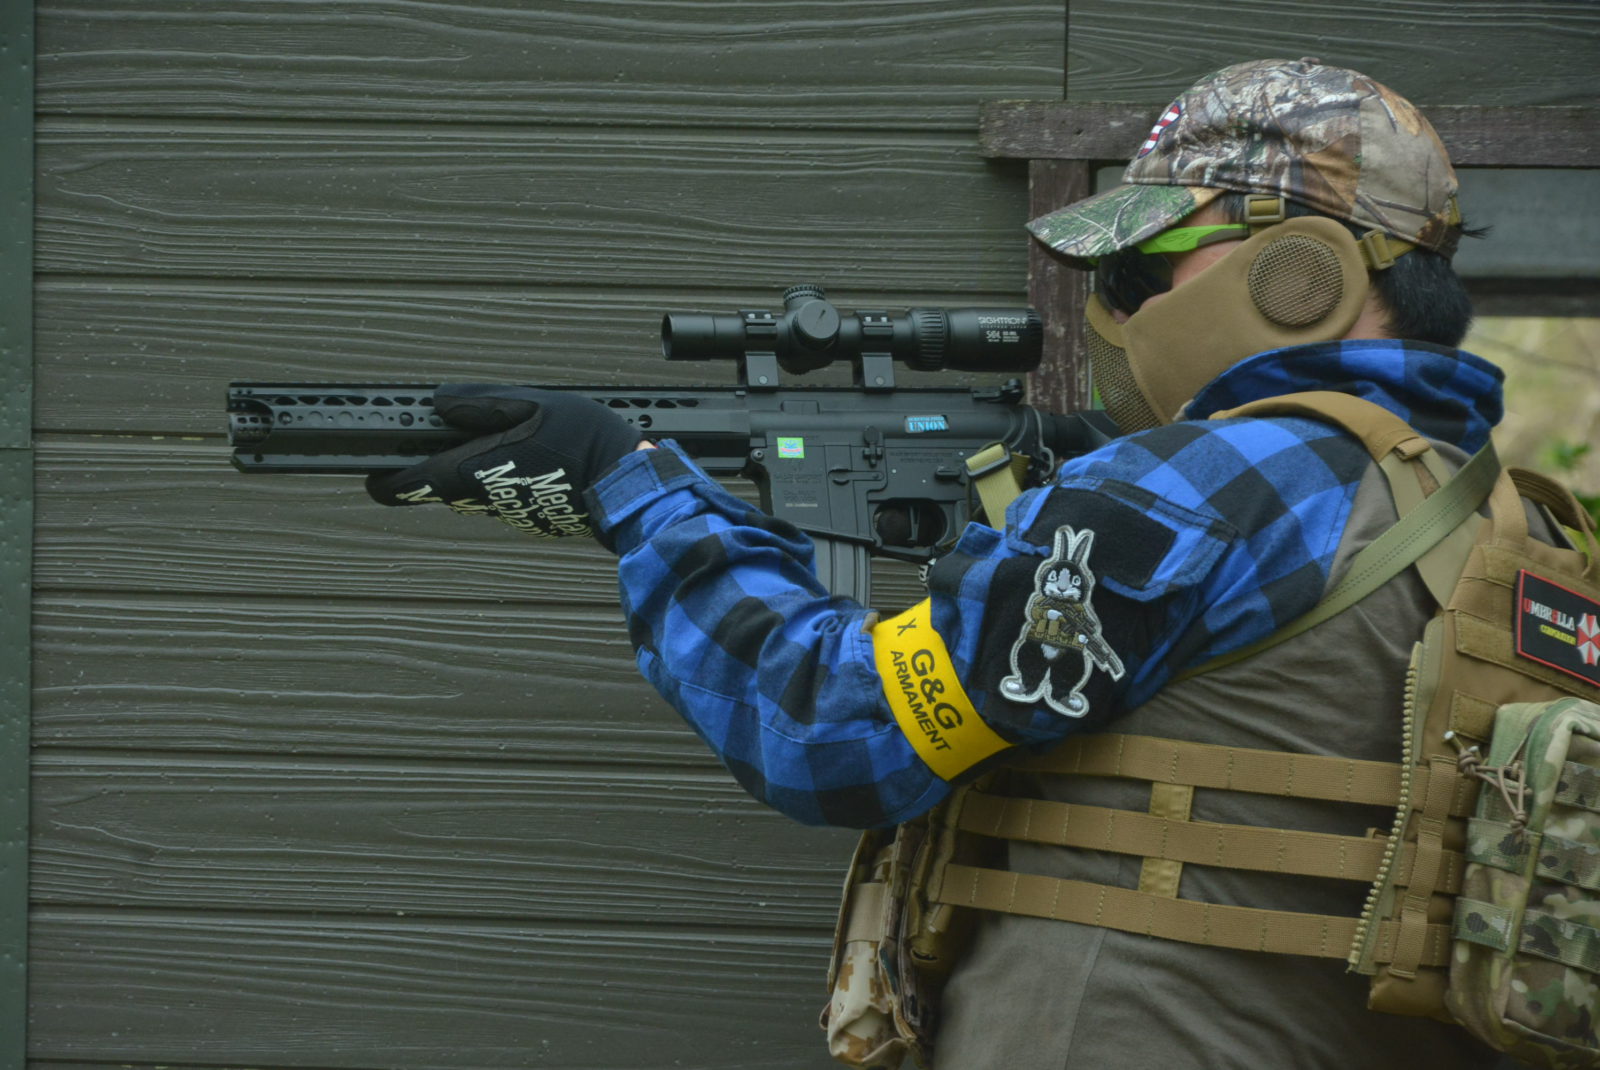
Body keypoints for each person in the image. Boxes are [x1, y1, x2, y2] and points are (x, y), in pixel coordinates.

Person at [367, 59, 1518, 1069]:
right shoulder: (1516, 529)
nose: (1121, 306)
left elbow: (830, 725)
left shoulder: (1211, 479)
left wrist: (632, 490)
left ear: (1301, 268)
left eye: (1147, 264)